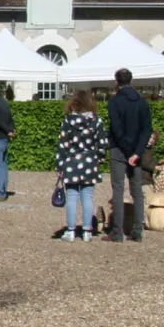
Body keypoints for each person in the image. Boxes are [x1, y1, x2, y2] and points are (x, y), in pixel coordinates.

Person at [55, 89, 108, 241]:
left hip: (71, 161)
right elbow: (103, 143)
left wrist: (60, 165)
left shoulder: (68, 121)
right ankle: (87, 232)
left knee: (72, 197)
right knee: (88, 197)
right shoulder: (96, 121)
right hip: (90, 161)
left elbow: (63, 145)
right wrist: (99, 159)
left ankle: (70, 231)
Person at [106, 69, 150, 241]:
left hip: (119, 149)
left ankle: (118, 231)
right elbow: (146, 129)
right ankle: (138, 230)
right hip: (136, 151)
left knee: (118, 189)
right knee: (137, 190)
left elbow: (116, 129)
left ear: (117, 81)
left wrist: (127, 150)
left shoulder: (115, 102)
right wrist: (137, 152)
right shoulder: (142, 102)